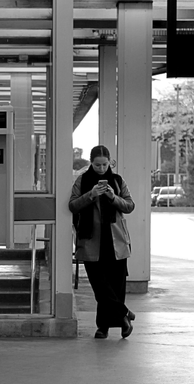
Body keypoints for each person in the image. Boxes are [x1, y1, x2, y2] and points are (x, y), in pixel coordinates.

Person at [69, 145, 136, 339]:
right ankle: (124, 315)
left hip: (116, 242)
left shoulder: (117, 181)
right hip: (91, 241)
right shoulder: (82, 181)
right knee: (101, 287)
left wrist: (112, 197)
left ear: (110, 162)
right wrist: (91, 194)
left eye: (104, 164)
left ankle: (107, 326)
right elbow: (73, 205)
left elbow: (129, 205)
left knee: (116, 287)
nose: (101, 168)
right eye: (97, 165)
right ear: (91, 163)